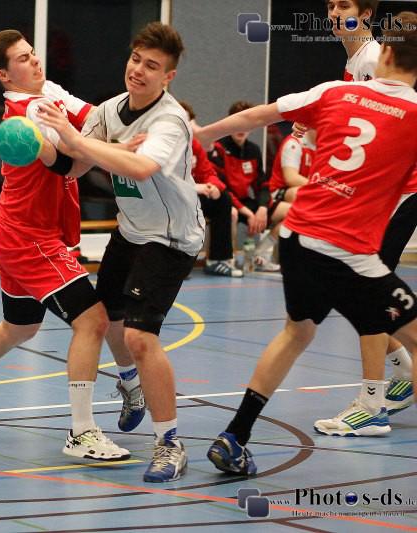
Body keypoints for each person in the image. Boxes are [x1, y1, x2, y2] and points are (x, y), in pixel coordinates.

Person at [195, 12, 417, 475]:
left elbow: (258, 115)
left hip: (296, 237)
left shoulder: (333, 91)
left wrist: (197, 137)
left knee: (298, 332)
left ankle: (234, 436)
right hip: (346, 251)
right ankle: (374, 405)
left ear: (386, 52)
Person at [0, 29, 130, 462]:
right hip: (28, 239)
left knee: (19, 327)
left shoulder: (47, 90)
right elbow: (71, 163)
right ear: (4, 75)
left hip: (16, 232)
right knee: (92, 322)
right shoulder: (25, 114)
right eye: (23, 59)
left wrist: (139, 117)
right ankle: (82, 433)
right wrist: (125, 147)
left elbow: (94, 116)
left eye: (33, 53)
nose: (35, 61)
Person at [39, 22, 205, 482]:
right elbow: (74, 166)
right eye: (136, 59)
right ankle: (132, 385)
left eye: (152, 66)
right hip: (131, 230)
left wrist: (77, 140)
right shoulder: (109, 110)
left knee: (138, 337)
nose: (138, 70)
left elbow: (141, 166)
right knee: (107, 318)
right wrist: (40, 144)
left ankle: (170, 443)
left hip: (170, 239)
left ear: (168, 76)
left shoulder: (170, 121)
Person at [315, 0, 415, 422]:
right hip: (385, 195)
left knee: (366, 289)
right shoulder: (355, 62)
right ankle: (401, 372)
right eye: (331, 6)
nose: (335, 13)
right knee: (362, 289)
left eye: (345, 5)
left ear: (367, 14)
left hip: (401, 192)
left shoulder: (374, 59)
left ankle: (372, 402)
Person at [208, 101, 281, 272]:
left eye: (246, 123)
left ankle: (260, 256)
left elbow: (262, 184)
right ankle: (227, 259)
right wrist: (248, 213)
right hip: (227, 201)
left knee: (291, 212)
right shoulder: (218, 148)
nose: (241, 128)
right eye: (238, 123)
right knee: (230, 213)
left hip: (246, 202)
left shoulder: (254, 150)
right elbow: (222, 187)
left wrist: (262, 208)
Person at [179, 100, 243, 278]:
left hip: (191, 195)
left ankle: (217, 260)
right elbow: (165, 178)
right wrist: (196, 187)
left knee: (223, 199)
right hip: (168, 198)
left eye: (187, 120)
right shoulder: (162, 144)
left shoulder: (194, 145)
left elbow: (208, 172)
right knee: (182, 205)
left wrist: (213, 186)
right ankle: (177, 263)